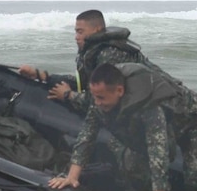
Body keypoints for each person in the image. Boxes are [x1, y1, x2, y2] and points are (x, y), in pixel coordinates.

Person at [48, 63, 197, 191]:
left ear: (119, 91)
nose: (97, 103)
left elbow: (158, 150)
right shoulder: (97, 100)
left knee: (195, 178)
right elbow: (87, 136)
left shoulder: (148, 105)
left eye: (102, 98)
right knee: (131, 163)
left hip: (190, 122)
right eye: (95, 97)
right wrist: (72, 177)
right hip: (165, 126)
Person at [18, 9, 157, 114]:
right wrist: (41, 76)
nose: (76, 37)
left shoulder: (108, 54)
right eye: (76, 32)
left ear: (96, 30)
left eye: (80, 32)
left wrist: (68, 95)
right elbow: (85, 83)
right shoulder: (95, 50)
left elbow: (102, 100)